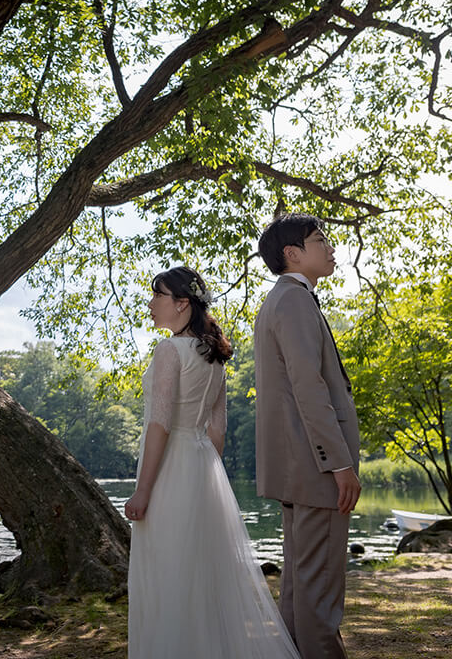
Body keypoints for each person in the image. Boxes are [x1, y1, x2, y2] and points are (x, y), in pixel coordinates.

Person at [125, 266, 300, 659]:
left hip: (170, 470)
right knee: (200, 575)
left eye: (158, 296)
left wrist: (143, 490)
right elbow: (217, 430)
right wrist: (207, 481)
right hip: (203, 467)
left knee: (168, 574)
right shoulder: (214, 355)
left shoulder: (169, 350)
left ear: (182, 303)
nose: (151, 305)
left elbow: (159, 424)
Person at [254, 214, 361, 659]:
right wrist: (339, 462)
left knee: (300, 591)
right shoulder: (295, 301)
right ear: (292, 254)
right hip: (318, 469)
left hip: (297, 468)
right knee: (319, 599)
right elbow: (309, 387)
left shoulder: (279, 301)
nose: (331, 247)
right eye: (321, 240)